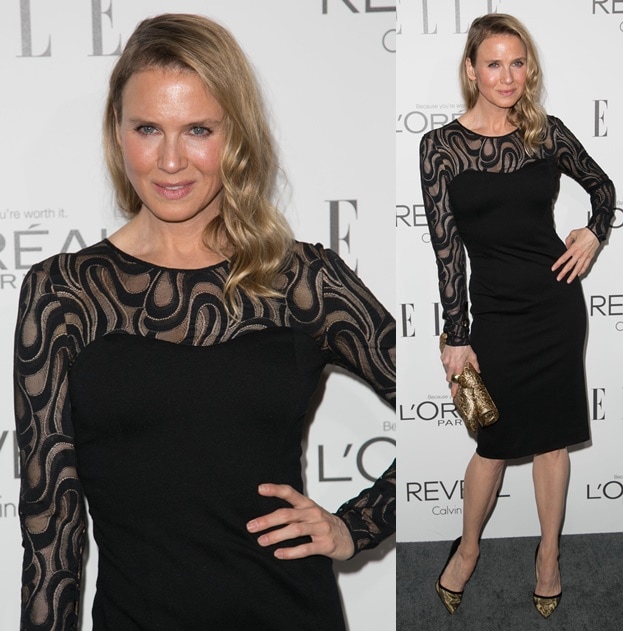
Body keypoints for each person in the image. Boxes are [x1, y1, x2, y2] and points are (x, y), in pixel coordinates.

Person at [14, 14, 395, 630]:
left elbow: (455, 397)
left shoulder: (301, 279)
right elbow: (51, 531)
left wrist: (357, 525)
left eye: (198, 130)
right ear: (117, 132)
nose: (170, 160)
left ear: (234, 134)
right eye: (147, 128)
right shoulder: (63, 294)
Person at [419, 13, 614, 619]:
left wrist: (593, 232)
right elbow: (447, 251)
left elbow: (603, 187)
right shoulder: (440, 148)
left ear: (529, 69)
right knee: (494, 444)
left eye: (518, 62)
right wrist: (456, 337)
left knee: (552, 442)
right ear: (472, 70)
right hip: (495, 314)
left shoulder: (545, 134)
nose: (507, 76)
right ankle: (468, 548)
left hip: (554, 307)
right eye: (494, 63)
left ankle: (548, 556)